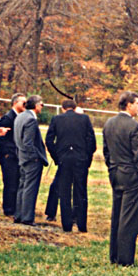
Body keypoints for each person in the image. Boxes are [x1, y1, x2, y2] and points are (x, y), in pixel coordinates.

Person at [103, 91, 138, 266]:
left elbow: (106, 152)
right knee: (128, 218)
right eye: (137, 103)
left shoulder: (109, 123)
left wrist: (112, 167)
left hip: (115, 172)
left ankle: (114, 255)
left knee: (117, 215)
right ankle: (125, 258)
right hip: (131, 175)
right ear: (128, 105)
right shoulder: (134, 126)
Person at [45, 99, 97, 232]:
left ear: (63, 108)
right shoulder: (84, 119)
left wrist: (57, 157)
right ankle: (81, 225)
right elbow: (91, 140)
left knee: (65, 192)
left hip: (64, 160)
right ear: (75, 108)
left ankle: (67, 225)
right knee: (81, 191)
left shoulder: (56, 119)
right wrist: (87, 157)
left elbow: (49, 140)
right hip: (80, 160)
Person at [13, 95, 49, 226]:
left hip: (22, 158)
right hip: (30, 160)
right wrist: (35, 157)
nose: (42, 106)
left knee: (22, 187)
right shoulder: (30, 120)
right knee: (30, 188)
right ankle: (27, 218)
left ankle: (19, 215)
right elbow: (28, 143)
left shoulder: (20, 116)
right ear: (35, 105)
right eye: (41, 104)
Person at [0, 93, 26, 217]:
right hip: (9, 156)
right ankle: (9, 209)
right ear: (15, 103)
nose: (25, 105)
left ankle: (15, 207)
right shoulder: (7, 118)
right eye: (23, 103)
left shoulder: (20, 117)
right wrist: (8, 154)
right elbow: (1, 139)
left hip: (17, 156)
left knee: (16, 181)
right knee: (10, 182)